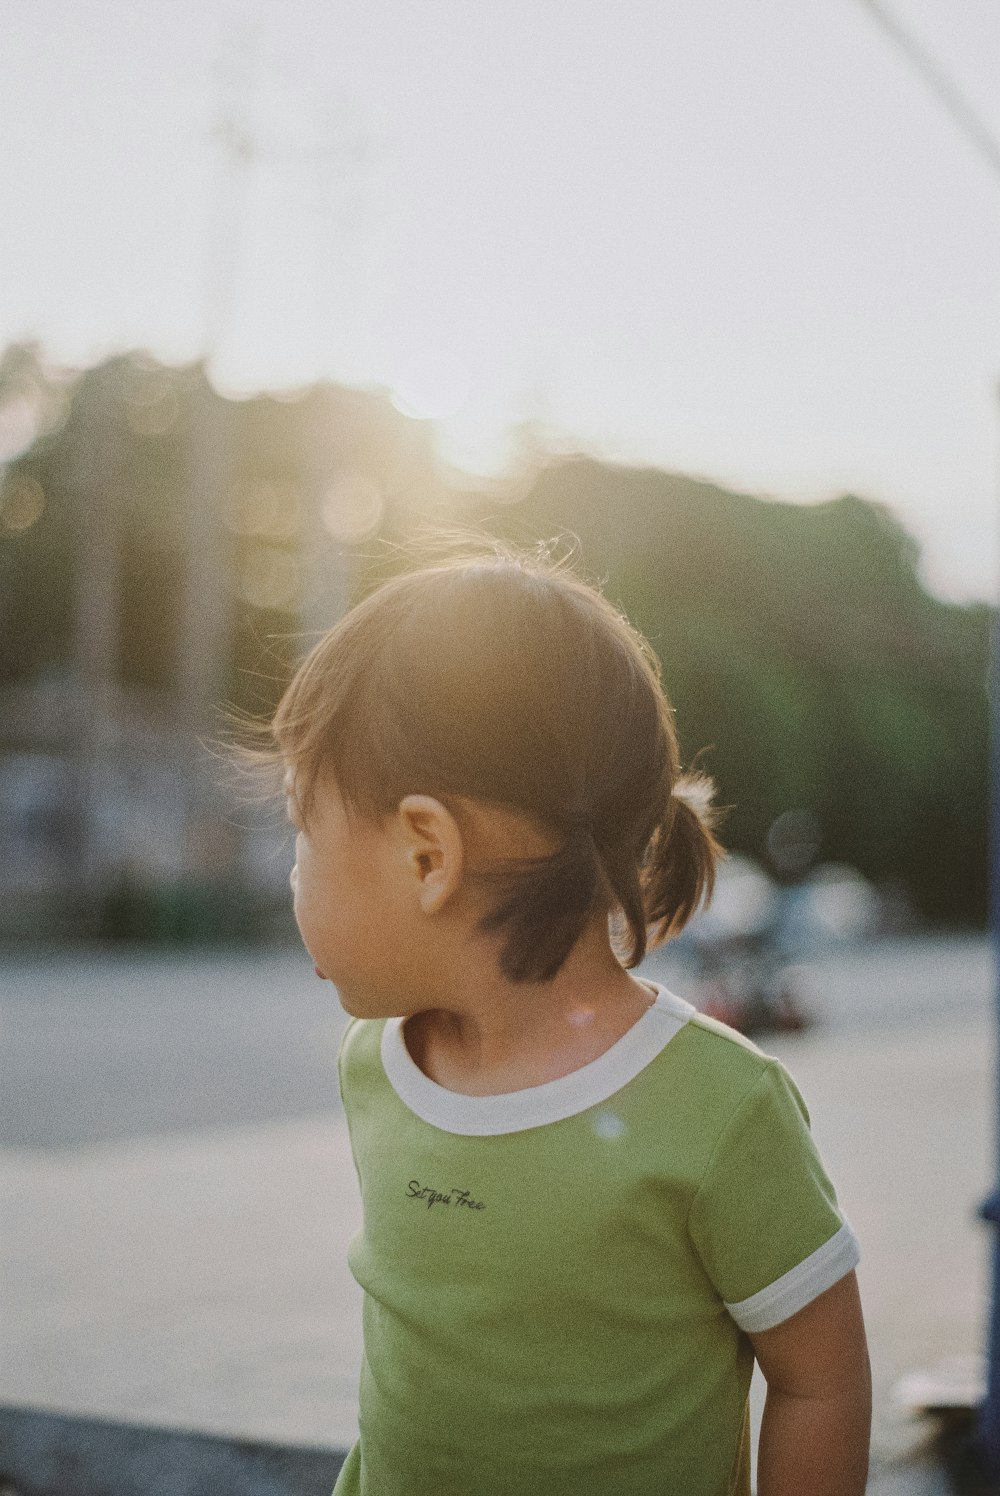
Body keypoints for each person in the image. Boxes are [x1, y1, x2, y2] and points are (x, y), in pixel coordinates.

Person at [262, 542, 871, 1495]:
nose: (291, 871)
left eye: (303, 829)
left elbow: (819, 1383)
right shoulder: (374, 1063)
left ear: (429, 856)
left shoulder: (723, 1108)